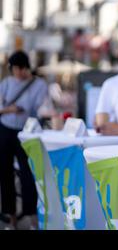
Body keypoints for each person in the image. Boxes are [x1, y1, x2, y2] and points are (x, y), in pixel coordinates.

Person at [0, 51, 48, 229]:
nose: (19, 72)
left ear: (27, 67)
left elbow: (42, 108)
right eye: (15, 69)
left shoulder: (39, 84)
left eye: (22, 68)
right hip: (5, 130)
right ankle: (11, 219)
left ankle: (33, 220)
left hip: (27, 132)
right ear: (11, 69)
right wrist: (10, 110)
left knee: (29, 174)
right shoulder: (5, 83)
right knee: (5, 175)